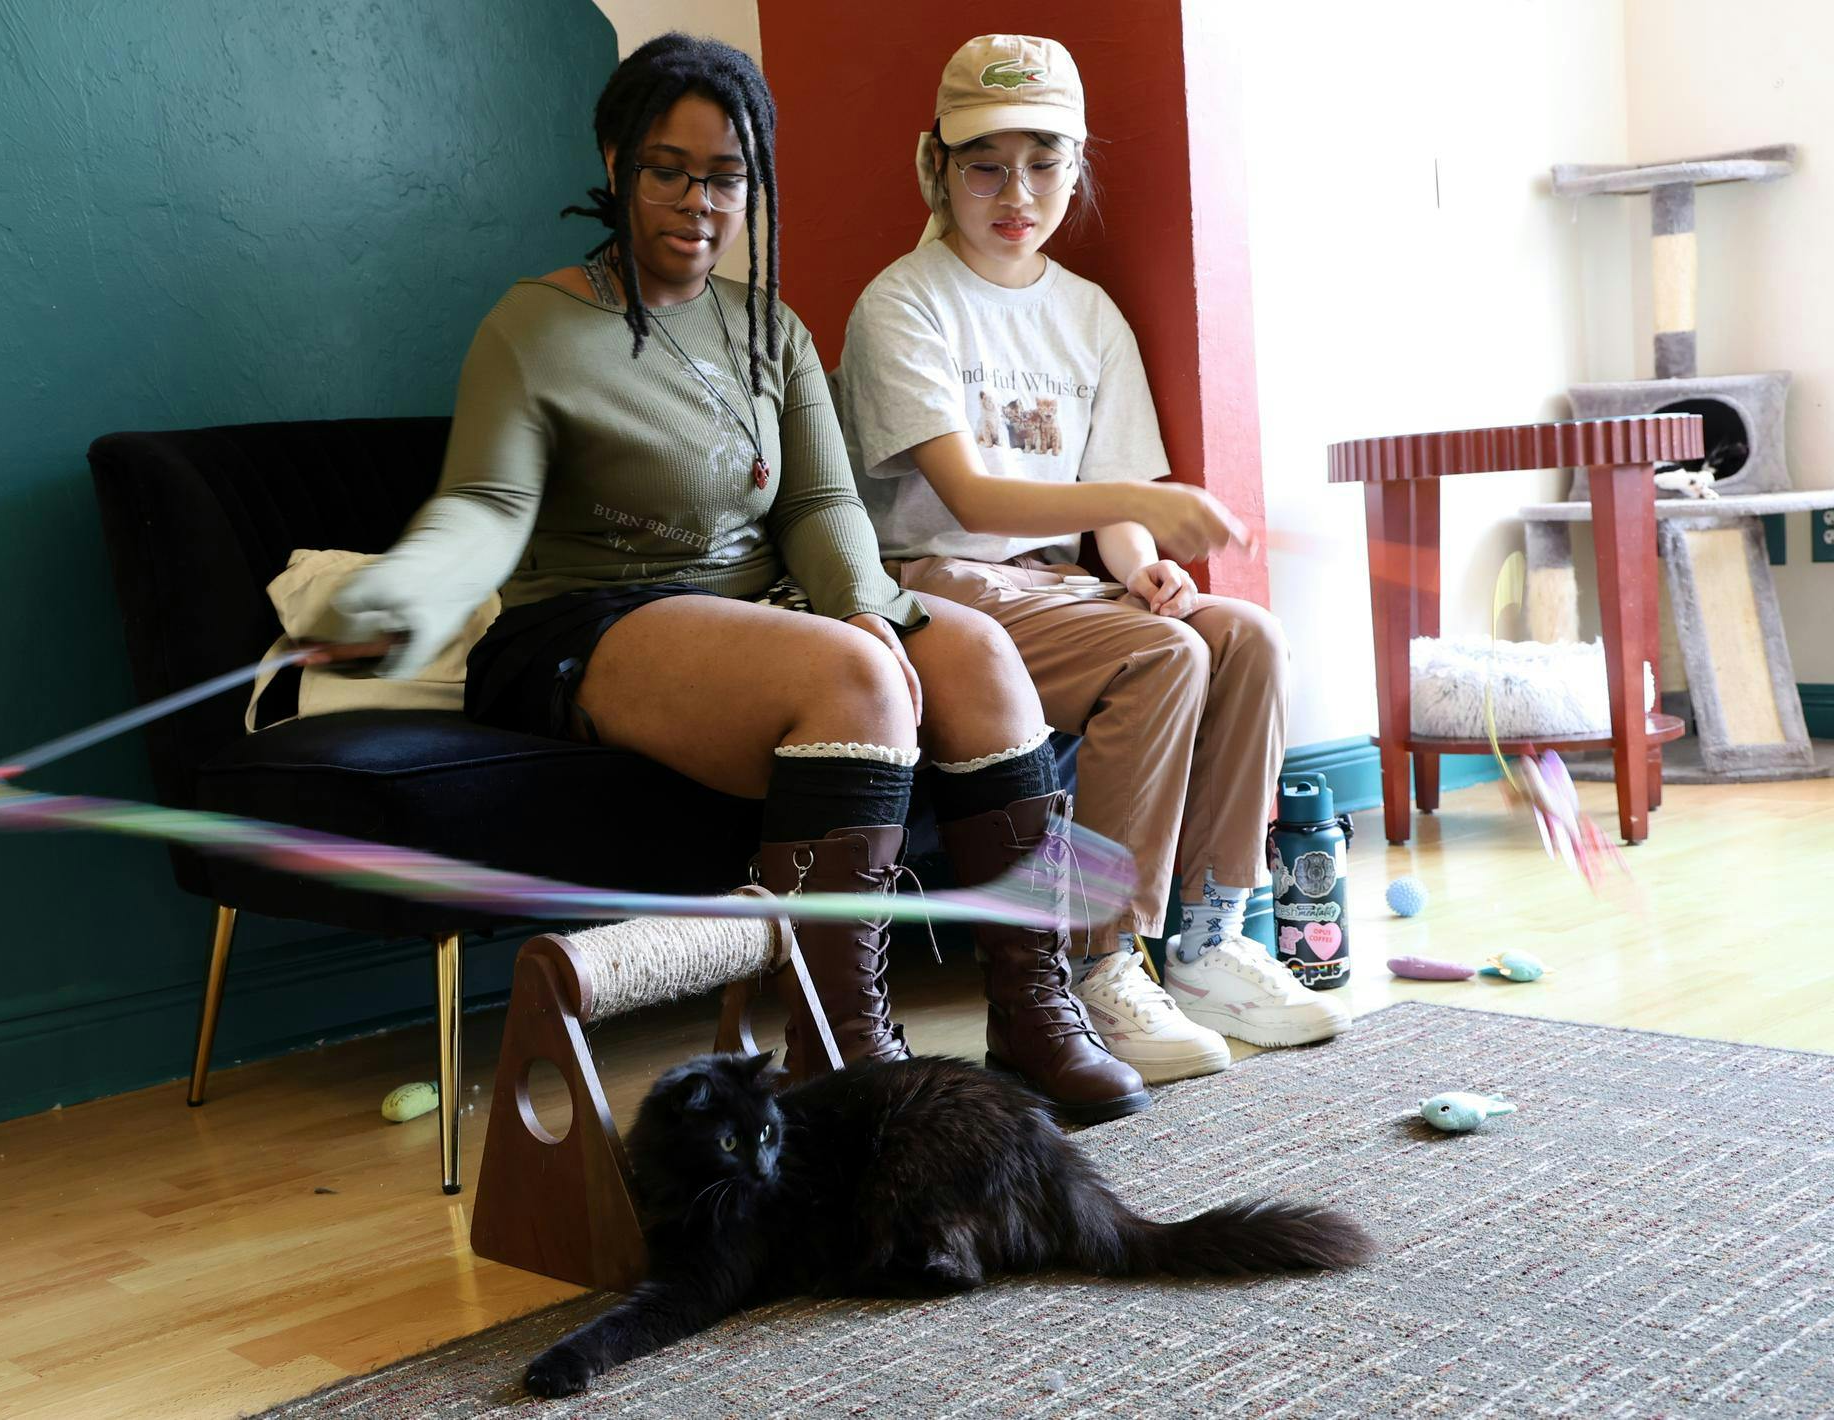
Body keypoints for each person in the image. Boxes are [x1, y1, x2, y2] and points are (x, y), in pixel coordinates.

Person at [325, 34, 1151, 1124]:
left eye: (729, 179)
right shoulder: (532, 326)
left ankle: (1032, 1010)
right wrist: (404, 592)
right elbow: (487, 508)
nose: (700, 202)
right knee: (855, 681)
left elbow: (817, 506)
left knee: (976, 653)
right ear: (616, 159)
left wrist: (870, 607)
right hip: (592, 617)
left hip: (769, 608)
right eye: (670, 169)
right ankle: (837, 1046)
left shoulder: (770, 327)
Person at [837, 34, 1349, 1083]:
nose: (1015, 191)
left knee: (1239, 634)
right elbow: (971, 499)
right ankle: (1093, 962)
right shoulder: (902, 304)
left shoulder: (1086, 313)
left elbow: (1109, 505)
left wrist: (1138, 560)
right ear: (934, 165)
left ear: (1075, 166)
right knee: (1157, 658)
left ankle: (1206, 939)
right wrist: (1132, 514)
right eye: (983, 163)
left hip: (1062, 584)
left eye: (1044, 161)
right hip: (939, 583)